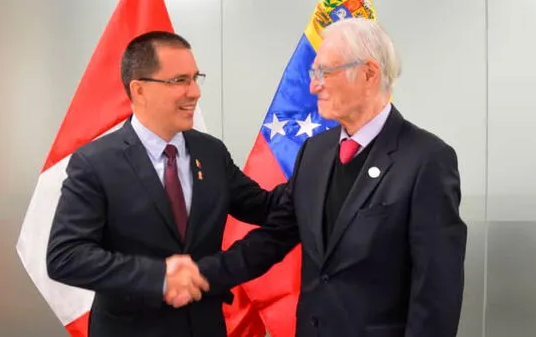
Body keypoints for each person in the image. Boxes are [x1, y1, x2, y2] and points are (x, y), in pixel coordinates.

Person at [189, 18, 467, 337]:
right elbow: (274, 236)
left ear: (368, 73)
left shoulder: (426, 159)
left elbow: (437, 291)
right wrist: (200, 276)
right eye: (313, 72)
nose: (313, 86)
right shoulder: (315, 152)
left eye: (324, 72)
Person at [46, 31, 285, 337]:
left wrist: (319, 170)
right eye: (180, 81)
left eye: (196, 78)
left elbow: (265, 208)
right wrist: (159, 277)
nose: (195, 91)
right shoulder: (96, 163)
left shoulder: (210, 152)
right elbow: (66, 256)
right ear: (139, 89)